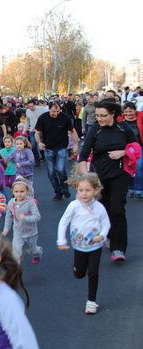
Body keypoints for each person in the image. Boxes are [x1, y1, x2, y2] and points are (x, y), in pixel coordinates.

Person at [78, 98, 136, 263]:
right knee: (104, 209)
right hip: (99, 177)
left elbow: (135, 147)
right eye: (97, 115)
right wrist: (85, 177)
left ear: (113, 114)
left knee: (118, 209)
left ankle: (118, 249)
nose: (99, 119)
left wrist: (123, 153)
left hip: (119, 174)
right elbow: (83, 155)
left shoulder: (123, 128)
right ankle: (109, 234)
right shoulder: (95, 130)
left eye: (103, 115)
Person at [57, 171, 111, 314]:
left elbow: (106, 224)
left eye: (88, 190)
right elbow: (64, 222)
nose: (84, 194)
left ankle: (91, 302)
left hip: (95, 245)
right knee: (80, 273)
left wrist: (102, 235)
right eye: (81, 190)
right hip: (79, 246)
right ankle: (79, 269)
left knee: (93, 272)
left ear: (96, 190)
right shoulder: (74, 206)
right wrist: (61, 240)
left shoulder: (99, 207)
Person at [35, 101, 80, 200]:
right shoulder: (43, 118)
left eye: (58, 111)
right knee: (51, 173)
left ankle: (65, 189)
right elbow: (37, 132)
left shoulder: (65, 117)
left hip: (61, 147)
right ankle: (58, 192)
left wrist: (76, 144)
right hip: (48, 148)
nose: (55, 113)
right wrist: (39, 142)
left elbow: (72, 131)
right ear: (49, 109)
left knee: (60, 170)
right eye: (53, 111)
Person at [2, 177, 42, 264]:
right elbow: (8, 217)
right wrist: (6, 229)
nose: (19, 194)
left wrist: (26, 218)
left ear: (27, 191)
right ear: (12, 192)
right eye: (16, 192)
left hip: (31, 232)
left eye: (22, 191)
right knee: (16, 252)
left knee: (33, 249)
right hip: (18, 232)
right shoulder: (11, 203)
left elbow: (37, 217)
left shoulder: (30, 203)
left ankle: (38, 253)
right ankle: (16, 269)